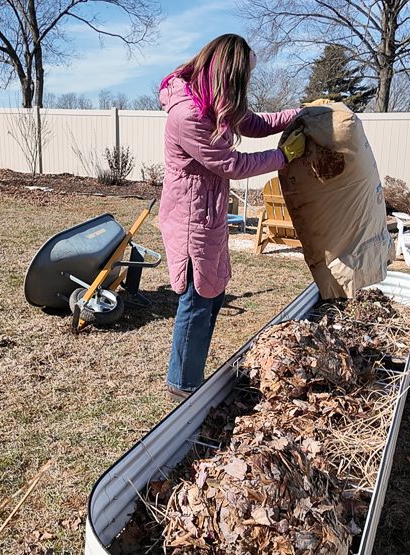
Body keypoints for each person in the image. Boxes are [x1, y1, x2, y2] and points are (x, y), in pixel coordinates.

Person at [158, 34, 306, 400]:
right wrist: (283, 157)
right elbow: (231, 164)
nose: (245, 89)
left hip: (208, 213)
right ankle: (183, 384)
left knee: (215, 291)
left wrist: (297, 115)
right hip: (191, 218)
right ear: (228, 75)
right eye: (243, 81)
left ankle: (190, 373)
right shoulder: (188, 114)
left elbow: (251, 122)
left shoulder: (209, 102)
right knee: (196, 297)